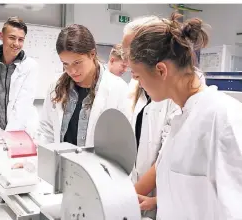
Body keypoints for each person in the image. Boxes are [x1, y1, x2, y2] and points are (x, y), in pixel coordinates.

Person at [129, 12, 242, 219]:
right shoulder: (181, 118)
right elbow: (199, 195)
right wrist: (158, 201)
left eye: (138, 76)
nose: (139, 85)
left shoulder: (223, 117)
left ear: (161, 70)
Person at [122, 16, 181, 219]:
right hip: (138, 191)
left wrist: (127, 199)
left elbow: (164, 159)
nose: (127, 61)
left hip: (161, 196)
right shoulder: (137, 86)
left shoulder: (177, 96)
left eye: (131, 52)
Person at [36, 24, 130, 148]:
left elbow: (121, 142)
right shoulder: (56, 86)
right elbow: (46, 130)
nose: (72, 71)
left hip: (97, 166)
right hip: (60, 165)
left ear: (92, 54)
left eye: (77, 62)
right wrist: (40, 161)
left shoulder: (118, 89)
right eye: (65, 64)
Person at [0, 16, 39, 137]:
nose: (16, 44)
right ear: (1, 36)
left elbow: (22, 106)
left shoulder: (30, 66)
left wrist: (9, 136)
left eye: (21, 39)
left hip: (19, 131)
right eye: (12, 38)